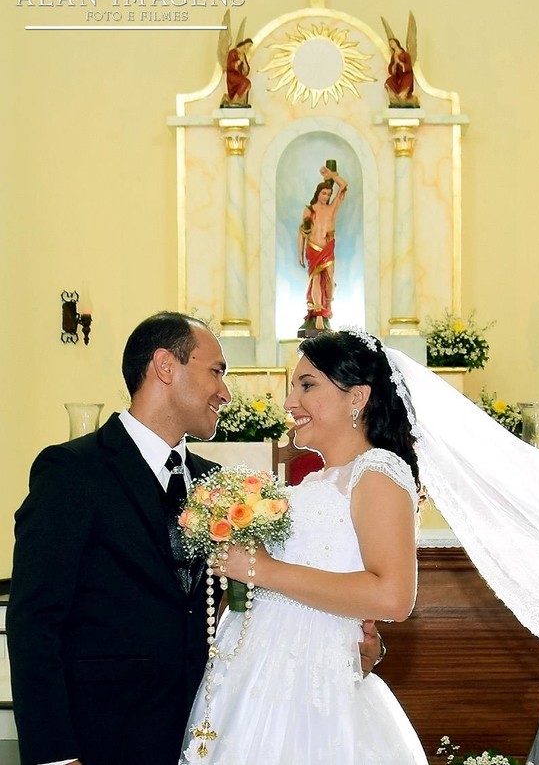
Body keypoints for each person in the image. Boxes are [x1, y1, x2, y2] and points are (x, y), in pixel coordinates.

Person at [9, 313, 383, 765]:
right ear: (165, 367)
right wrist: (55, 755)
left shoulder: (219, 485)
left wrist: (342, 645)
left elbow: (250, 606)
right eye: (217, 371)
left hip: (207, 732)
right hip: (101, 736)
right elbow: (35, 622)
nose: (226, 393)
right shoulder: (73, 472)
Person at [179, 329, 426, 763]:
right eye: (293, 387)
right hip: (258, 677)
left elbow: (393, 596)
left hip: (311, 690)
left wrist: (262, 570)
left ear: (358, 397)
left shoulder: (378, 473)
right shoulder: (316, 480)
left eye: (307, 385)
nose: (290, 402)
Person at [298, 165, 348, 333]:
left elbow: (343, 186)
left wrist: (332, 175)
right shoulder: (310, 210)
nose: (326, 197)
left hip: (327, 247)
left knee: (328, 279)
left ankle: (327, 306)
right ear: (317, 193)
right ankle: (318, 313)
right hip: (313, 247)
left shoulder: (332, 208)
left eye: (328, 194)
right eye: (323, 193)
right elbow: (303, 233)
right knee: (316, 279)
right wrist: (300, 253)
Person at [385, 37, 418, 108]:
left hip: (406, 75)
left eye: (392, 42)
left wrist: (399, 62)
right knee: (389, 81)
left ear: (397, 43)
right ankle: (394, 97)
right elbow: (391, 69)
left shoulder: (405, 54)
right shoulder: (393, 56)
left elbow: (409, 67)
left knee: (407, 79)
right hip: (398, 77)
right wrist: (395, 64)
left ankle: (403, 96)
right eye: (390, 43)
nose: (391, 44)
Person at [221, 38, 252, 108]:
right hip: (232, 76)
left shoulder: (243, 55)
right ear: (245, 44)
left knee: (248, 83)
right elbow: (230, 66)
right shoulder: (232, 52)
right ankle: (235, 100)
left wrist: (244, 62)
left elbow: (245, 72)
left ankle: (240, 101)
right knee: (245, 82)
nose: (249, 48)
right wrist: (239, 61)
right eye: (249, 45)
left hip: (239, 76)